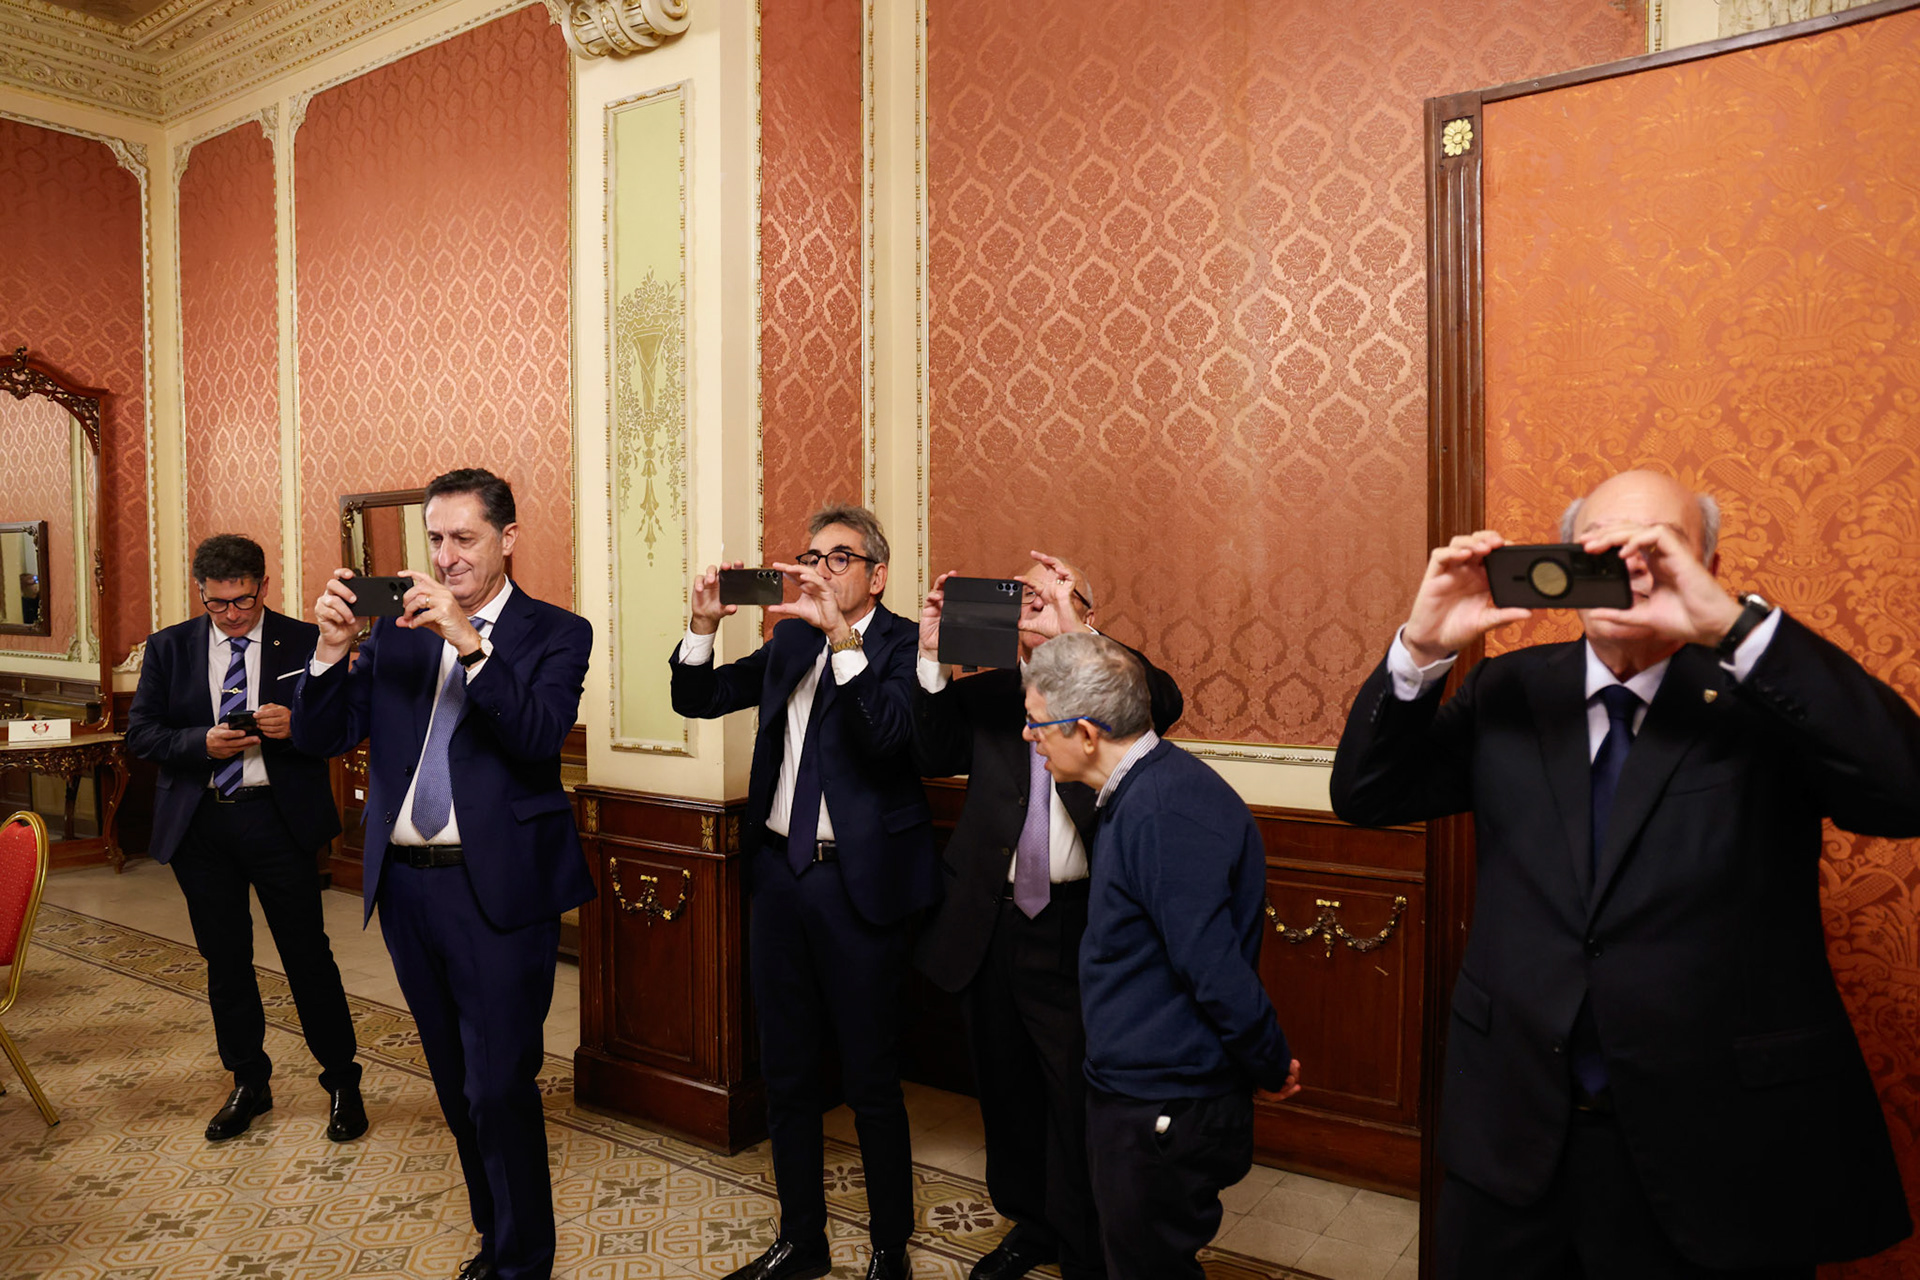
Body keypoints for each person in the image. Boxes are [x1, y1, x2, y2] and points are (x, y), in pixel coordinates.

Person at [1330, 469, 1918, 1279]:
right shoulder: (1508, 690)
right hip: (1512, 1134)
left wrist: (1735, 628)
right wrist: (1421, 650)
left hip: (1716, 1150)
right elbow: (1366, 795)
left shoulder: (1762, 699)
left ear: (1708, 567)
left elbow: (1905, 792)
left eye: (1658, 549)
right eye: (1600, 551)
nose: (1626, 569)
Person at [293, 469, 593, 1280]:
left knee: (500, 1087)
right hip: (407, 888)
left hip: (497, 892)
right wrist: (329, 653)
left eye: (465, 538)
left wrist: (470, 642)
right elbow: (321, 737)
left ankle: (523, 1264)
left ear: (508, 538)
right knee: (458, 1086)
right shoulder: (396, 633)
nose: (447, 555)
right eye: (435, 539)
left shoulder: (558, 632)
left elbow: (536, 736)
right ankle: (497, 1242)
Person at [670, 505, 935, 1280]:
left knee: (870, 1079)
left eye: (838, 557)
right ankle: (801, 1240)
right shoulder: (788, 641)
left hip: (860, 887)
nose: (818, 569)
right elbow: (699, 699)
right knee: (785, 1072)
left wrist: (843, 639)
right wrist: (701, 627)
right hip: (781, 880)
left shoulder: (905, 645)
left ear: (876, 576)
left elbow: (889, 737)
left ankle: (890, 1246)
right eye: (810, 557)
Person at [911, 553, 1184, 1280]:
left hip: (1075, 924)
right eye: (1023, 597)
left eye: (1049, 595)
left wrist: (1078, 634)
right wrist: (932, 656)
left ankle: (1084, 1241)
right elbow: (930, 751)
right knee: (1006, 1092)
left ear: (1085, 611)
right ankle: (1030, 1225)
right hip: (989, 922)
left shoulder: (1111, 696)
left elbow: (1165, 700)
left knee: (1075, 1097)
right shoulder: (992, 692)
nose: (1031, 605)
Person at [1021, 633, 1300, 1280]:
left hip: (1163, 1102)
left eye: (1038, 725)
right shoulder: (1143, 792)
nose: (1030, 739)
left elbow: (1213, 969)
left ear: (1086, 732)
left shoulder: (1164, 811)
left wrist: (1268, 1060)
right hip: (1140, 1091)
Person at [125, 533, 364, 1144]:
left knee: (307, 956)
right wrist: (199, 742)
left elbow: (341, 729)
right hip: (202, 826)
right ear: (200, 592)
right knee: (225, 961)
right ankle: (249, 1081)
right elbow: (141, 734)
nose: (231, 614)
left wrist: (297, 725)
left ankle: (342, 1080)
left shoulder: (307, 641)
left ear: (264, 586)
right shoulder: (169, 647)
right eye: (217, 603)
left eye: (243, 601)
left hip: (279, 821)